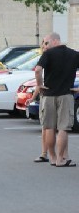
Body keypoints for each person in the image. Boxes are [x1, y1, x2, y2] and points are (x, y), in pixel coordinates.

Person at [31, 32, 77, 167]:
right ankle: (60, 159)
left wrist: (39, 85)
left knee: (49, 127)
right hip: (65, 95)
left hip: (48, 95)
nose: (45, 45)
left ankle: (52, 157)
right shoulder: (74, 54)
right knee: (63, 128)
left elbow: (38, 70)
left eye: (46, 42)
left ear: (55, 41)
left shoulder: (48, 54)